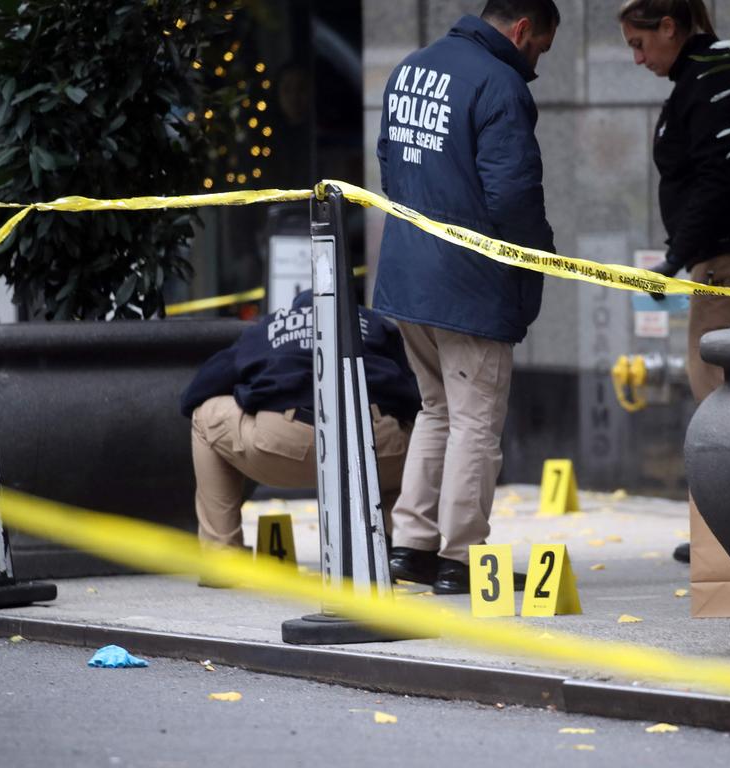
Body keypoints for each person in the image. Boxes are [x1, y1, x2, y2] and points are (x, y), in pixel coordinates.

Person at [374, 0, 560, 594]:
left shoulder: (411, 68)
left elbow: (388, 164)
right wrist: (538, 261)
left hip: (406, 275)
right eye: (539, 50)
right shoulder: (499, 84)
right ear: (523, 29)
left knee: (437, 412)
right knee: (475, 422)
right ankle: (461, 558)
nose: (536, 64)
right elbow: (512, 196)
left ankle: (412, 546)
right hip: (470, 285)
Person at [619, 0, 730, 567]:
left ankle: (728, 538)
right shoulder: (704, 74)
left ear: (670, 26)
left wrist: (675, 256)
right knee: (724, 394)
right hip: (726, 255)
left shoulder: (711, 76)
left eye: (640, 44)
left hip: (729, 259)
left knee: (717, 396)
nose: (638, 58)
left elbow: (719, 175)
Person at [181, 290, 421, 564]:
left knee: (205, 416)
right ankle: (398, 547)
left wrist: (250, 396)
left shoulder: (268, 327)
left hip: (280, 442)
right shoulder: (376, 325)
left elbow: (198, 390)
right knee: (421, 434)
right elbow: (413, 395)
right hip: (370, 449)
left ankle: (220, 555)